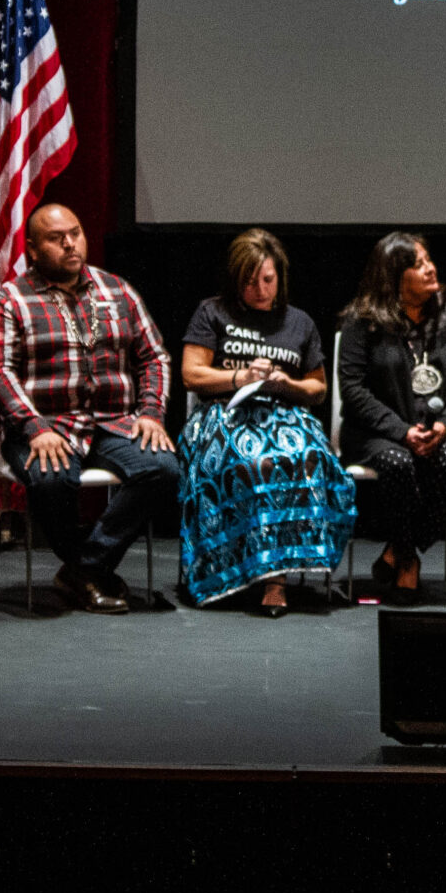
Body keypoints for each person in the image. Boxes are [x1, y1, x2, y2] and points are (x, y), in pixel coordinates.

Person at [0, 204, 182, 615]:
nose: (70, 243)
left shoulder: (117, 290)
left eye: (75, 232)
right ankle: (91, 569)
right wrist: (34, 426)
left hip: (114, 420)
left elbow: (154, 357)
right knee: (52, 480)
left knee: (163, 468)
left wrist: (150, 413)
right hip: (44, 424)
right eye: (57, 238)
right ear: (33, 249)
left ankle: (83, 568)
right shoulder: (11, 300)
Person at [175, 228, 354, 614]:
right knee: (249, 462)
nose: (259, 289)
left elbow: (318, 389)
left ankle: (275, 580)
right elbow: (192, 375)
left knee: (303, 457)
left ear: (280, 278)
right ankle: (229, 570)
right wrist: (242, 377)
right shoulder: (213, 312)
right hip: (224, 413)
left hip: (284, 414)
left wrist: (286, 382)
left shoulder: (299, 323)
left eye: (267, 280)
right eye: (249, 281)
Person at [336, 232, 446, 605]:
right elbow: (352, 389)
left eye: (428, 260)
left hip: (437, 431)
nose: (430, 268)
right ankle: (408, 564)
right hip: (376, 434)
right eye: (418, 265)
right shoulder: (362, 320)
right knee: (396, 462)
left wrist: (445, 425)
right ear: (394, 276)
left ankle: (400, 551)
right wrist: (402, 432)